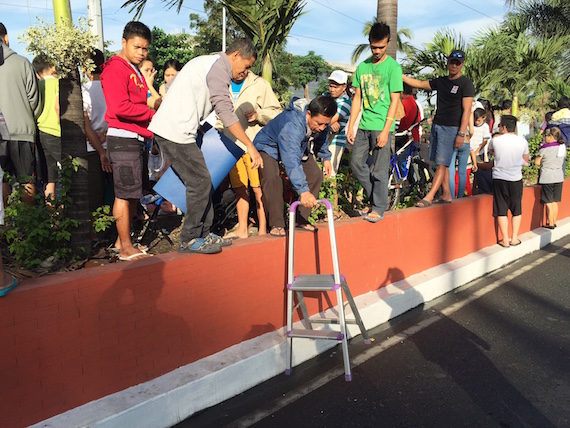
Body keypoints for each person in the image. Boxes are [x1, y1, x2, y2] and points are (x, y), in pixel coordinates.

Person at [148, 38, 263, 254]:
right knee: (200, 182)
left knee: (203, 182)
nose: (246, 72)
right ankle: (189, 238)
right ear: (236, 55)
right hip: (175, 132)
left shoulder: (210, 64)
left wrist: (197, 125)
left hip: (180, 130)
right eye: (246, 66)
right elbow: (226, 112)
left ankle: (204, 233)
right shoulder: (218, 68)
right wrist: (250, 146)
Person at [101, 21, 155, 261]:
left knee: (133, 193)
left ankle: (123, 241)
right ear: (123, 43)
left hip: (135, 138)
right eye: (137, 47)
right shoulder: (115, 68)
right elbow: (120, 107)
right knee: (123, 194)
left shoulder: (133, 69)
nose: (141, 53)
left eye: (145, 48)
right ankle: (125, 247)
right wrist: (152, 113)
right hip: (122, 139)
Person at [253, 95, 337, 236]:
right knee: (273, 179)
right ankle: (277, 223)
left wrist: (326, 157)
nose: (322, 127)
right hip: (267, 146)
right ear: (308, 114)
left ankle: (300, 220)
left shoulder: (321, 122)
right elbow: (291, 160)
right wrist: (303, 191)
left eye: (325, 124)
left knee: (315, 175)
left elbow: (321, 139)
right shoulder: (293, 125)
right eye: (319, 124)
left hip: (297, 147)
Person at [346, 21, 403, 223]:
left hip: (382, 126)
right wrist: (352, 124)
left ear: (388, 43)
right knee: (356, 164)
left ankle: (378, 207)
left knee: (379, 170)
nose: (377, 51)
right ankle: (377, 198)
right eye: (373, 47)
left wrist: (386, 130)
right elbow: (357, 99)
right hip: (363, 125)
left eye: (381, 46)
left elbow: (395, 101)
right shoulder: (362, 67)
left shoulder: (393, 68)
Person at [403, 49, 474, 206]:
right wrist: (401, 76)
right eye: (451, 62)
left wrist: (461, 133)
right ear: (447, 62)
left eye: (458, 63)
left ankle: (429, 196)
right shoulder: (441, 81)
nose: (454, 65)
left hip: (452, 128)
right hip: (437, 126)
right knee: (440, 162)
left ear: (462, 64)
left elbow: (467, 110)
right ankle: (447, 194)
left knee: (442, 163)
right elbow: (420, 84)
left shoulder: (466, 84)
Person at [217, 69, 281, 239]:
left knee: (258, 190)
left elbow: (277, 112)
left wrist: (259, 115)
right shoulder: (223, 83)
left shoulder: (260, 84)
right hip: (232, 147)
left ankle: (262, 229)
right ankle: (243, 229)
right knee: (240, 190)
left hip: (253, 146)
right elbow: (219, 115)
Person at [0, 22, 41, 206]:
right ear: (6, 38)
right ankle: (29, 227)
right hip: (22, 131)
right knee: (26, 180)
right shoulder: (22, 62)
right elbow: (34, 100)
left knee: (2, 181)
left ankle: (5, 228)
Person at [488, 115, 529, 247]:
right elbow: (526, 160)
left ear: (504, 127)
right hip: (516, 178)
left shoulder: (495, 140)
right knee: (517, 209)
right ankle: (514, 238)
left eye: (499, 126)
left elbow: (491, 152)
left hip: (499, 178)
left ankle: (505, 240)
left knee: (501, 209)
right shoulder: (522, 141)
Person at [82, 48, 113, 213]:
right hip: (114, 145)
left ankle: (96, 235)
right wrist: (106, 135)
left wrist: (100, 151)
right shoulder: (111, 88)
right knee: (117, 194)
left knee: (95, 197)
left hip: (92, 149)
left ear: (85, 68)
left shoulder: (83, 91)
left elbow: (86, 126)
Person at [33, 54, 61, 201]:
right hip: (56, 132)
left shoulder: (37, 86)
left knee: (51, 178)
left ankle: (52, 217)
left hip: (41, 132)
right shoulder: (57, 83)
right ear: (53, 67)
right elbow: (58, 107)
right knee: (71, 171)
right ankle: (66, 210)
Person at [534, 127, 565, 229]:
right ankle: (554, 221)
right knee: (555, 201)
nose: (545, 138)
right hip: (559, 176)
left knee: (548, 201)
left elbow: (537, 162)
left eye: (546, 136)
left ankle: (550, 223)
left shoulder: (544, 149)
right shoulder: (562, 147)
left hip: (547, 177)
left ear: (551, 137)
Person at [326, 70, 352, 176]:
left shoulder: (345, 103)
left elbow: (328, 120)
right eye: (331, 86)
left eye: (335, 87)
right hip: (325, 139)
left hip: (336, 142)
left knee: (329, 174)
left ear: (344, 87)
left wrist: (330, 122)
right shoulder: (327, 97)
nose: (332, 89)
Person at [469, 108, 491, 194]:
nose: (476, 122)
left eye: (478, 120)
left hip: (478, 153)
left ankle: (475, 190)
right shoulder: (471, 125)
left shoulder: (485, 127)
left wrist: (476, 151)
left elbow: (485, 141)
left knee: (478, 173)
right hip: (470, 151)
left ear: (484, 118)